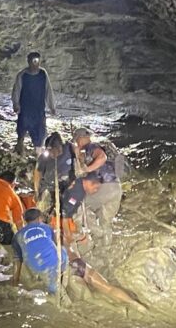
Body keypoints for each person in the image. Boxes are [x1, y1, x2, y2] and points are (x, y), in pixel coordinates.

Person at [11, 209, 146, 312]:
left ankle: (118, 310)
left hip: (55, 272)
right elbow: (62, 245)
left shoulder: (17, 237)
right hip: (74, 262)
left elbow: (19, 260)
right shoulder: (49, 229)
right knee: (107, 288)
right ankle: (137, 306)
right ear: (40, 219)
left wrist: (15, 282)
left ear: (25, 221)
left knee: (85, 301)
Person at [72, 128, 123, 246]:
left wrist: (86, 169)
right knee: (106, 221)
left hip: (105, 187)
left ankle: (96, 233)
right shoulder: (88, 152)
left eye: (77, 141)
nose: (77, 144)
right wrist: (79, 157)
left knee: (79, 204)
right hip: (116, 188)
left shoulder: (91, 147)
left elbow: (102, 157)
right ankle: (106, 246)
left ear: (81, 139)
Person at [11, 52, 57, 155]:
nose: (35, 63)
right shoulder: (22, 75)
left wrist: (52, 106)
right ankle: (20, 152)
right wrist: (16, 104)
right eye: (33, 60)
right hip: (25, 110)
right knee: (21, 131)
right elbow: (16, 90)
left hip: (38, 110)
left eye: (37, 60)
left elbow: (48, 90)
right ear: (28, 61)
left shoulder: (43, 74)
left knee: (39, 134)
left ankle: (38, 155)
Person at [33, 132, 75, 212]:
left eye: (53, 151)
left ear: (60, 147)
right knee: (42, 209)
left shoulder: (70, 149)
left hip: (68, 187)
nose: (51, 154)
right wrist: (37, 191)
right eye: (49, 151)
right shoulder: (44, 157)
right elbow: (37, 174)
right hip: (49, 187)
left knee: (72, 206)